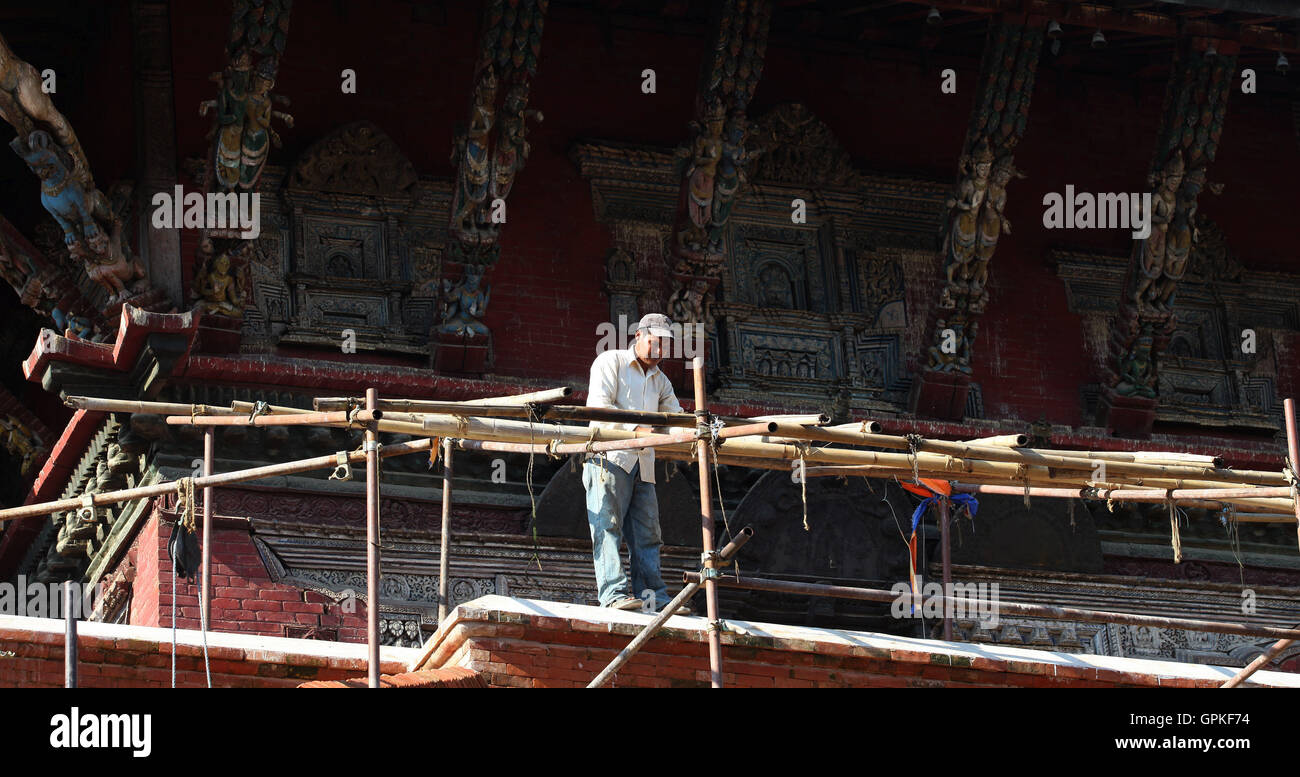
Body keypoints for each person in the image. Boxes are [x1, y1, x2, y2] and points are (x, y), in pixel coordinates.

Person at [582, 313, 691, 614]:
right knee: (607, 527)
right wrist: (639, 431)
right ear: (639, 337)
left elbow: (674, 420)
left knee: (648, 534)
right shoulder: (610, 362)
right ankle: (614, 595)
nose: (659, 350)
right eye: (655, 342)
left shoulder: (662, 380)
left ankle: (653, 599)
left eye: (665, 346)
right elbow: (599, 408)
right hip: (609, 457)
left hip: (643, 464)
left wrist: (698, 432)